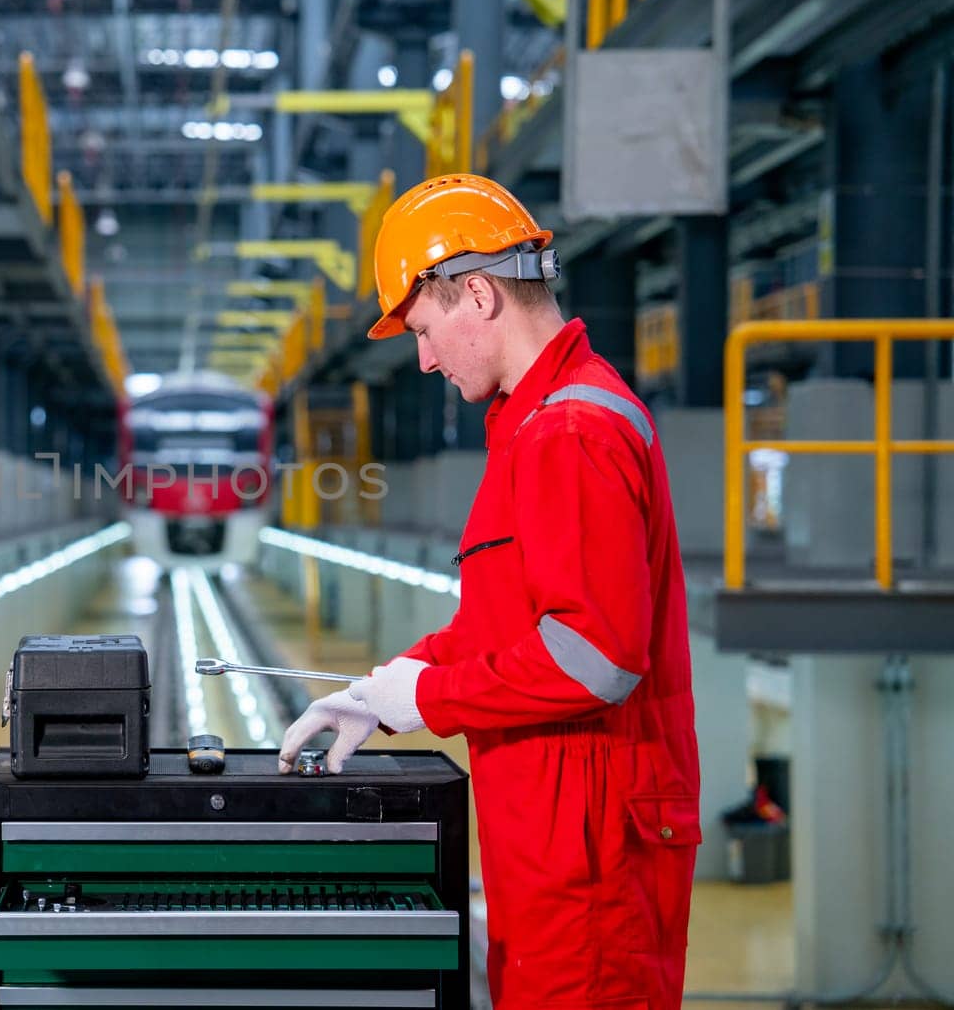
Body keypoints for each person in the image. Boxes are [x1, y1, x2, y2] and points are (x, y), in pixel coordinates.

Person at [277, 173, 701, 1010]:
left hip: (591, 857)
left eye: (427, 330)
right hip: (552, 840)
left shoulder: (571, 431)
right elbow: (507, 622)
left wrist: (431, 695)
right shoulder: (534, 426)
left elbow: (596, 658)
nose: (426, 358)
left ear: (477, 294)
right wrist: (380, 688)